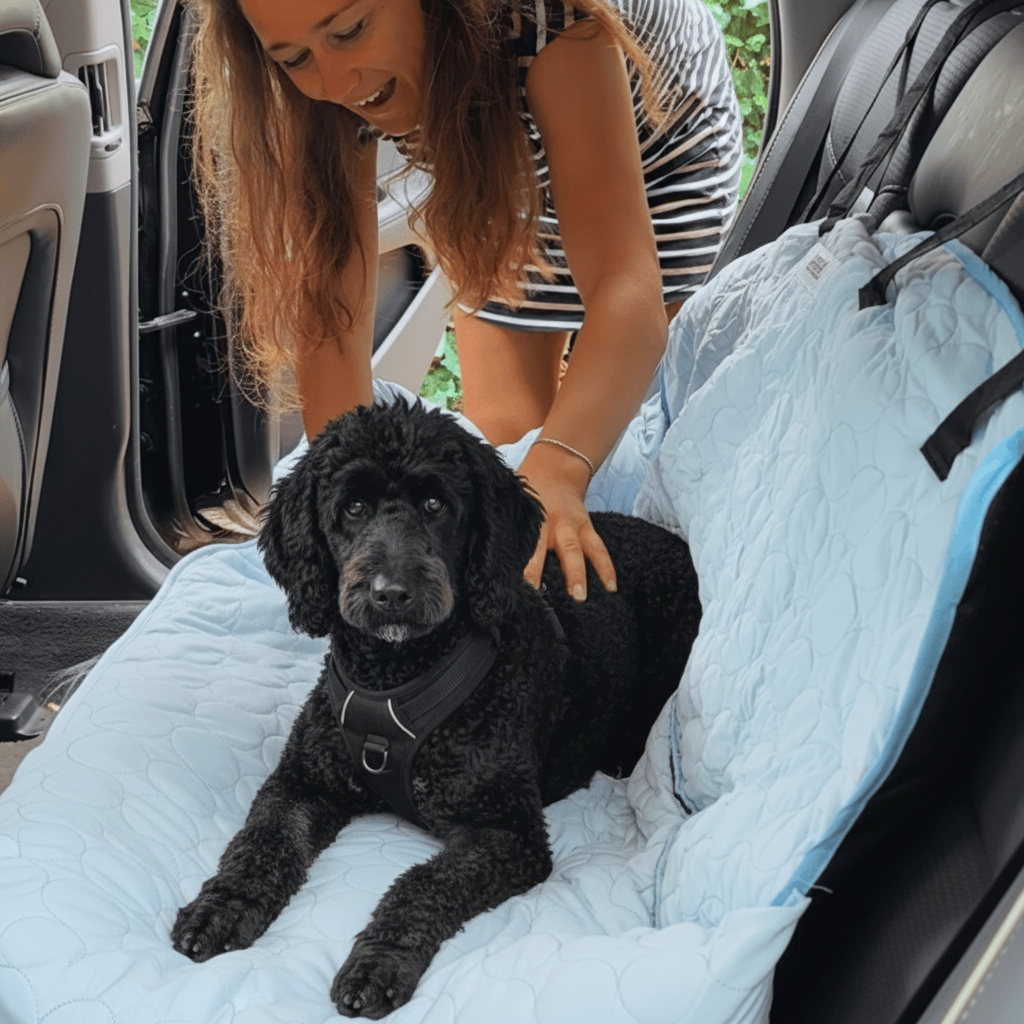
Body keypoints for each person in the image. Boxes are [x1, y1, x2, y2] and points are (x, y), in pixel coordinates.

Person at [186, 0, 742, 599]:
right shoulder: (323, 94)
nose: (334, 81)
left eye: (350, 30)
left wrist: (559, 467)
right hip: (493, 147)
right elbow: (332, 314)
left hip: (657, 141)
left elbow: (625, 294)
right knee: (507, 442)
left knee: (629, 445)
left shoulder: (556, 24)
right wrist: (348, 505)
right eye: (293, 58)